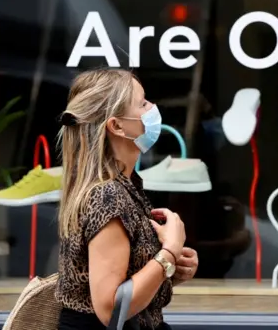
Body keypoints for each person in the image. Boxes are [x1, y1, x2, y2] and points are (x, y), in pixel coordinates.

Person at [55, 68, 199, 330]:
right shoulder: (107, 196)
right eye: (143, 103)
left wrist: (169, 270)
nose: (153, 108)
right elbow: (111, 309)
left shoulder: (123, 186)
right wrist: (168, 252)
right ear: (117, 125)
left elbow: (123, 281)